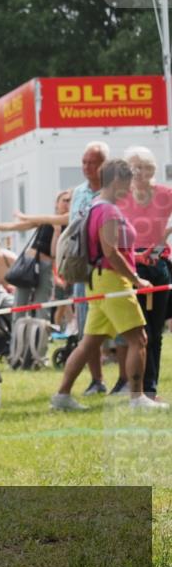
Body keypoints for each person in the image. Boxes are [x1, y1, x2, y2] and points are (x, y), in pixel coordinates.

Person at [50, 159, 166, 411]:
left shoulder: (94, 207)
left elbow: (110, 251)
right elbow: (110, 252)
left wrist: (137, 258)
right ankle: (138, 399)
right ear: (116, 181)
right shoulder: (109, 211)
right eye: (126, 184)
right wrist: (136, 279)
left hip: (99, 281)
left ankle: (61, 396)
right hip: (113, 281)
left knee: (89, 343)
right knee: (139, 339)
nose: (128, 190)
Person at [19, 141, 109, 396]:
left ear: (105, 164)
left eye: (92, 162)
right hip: (81, 268)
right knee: (85, 327)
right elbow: (69, 225)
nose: (87, 167)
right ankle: (97, 380)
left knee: (119, 330)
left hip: (107, 266)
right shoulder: (78, 192)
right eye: (84, 162)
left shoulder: (113, 191)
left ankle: (125, 380)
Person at [113, 146, 172, 401]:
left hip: (159, 263)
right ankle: (130, 386)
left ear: (153, 170)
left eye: (145, 167)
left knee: (155, 331)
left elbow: (166, 230)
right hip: (130, 265)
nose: (139, 172)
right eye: (134, 167)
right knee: (136, 330)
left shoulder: (165, 194)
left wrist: (158, 246)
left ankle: (150, 388)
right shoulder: (120, 197)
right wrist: (136, 257)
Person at [0, 189, 72, 321]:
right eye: (65, 200)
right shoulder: (45, 220)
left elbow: (55, 254)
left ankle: (39, 340)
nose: (68, 204)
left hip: (47, 267)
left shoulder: (70, 224)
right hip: (29, 264)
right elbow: (12, 227)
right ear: (57, 203)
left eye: (71, 201)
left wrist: (56, 231)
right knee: (19, 307)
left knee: (42, 309)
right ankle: (17, 340)